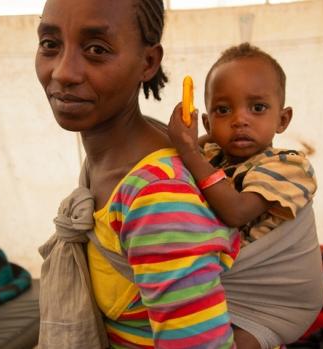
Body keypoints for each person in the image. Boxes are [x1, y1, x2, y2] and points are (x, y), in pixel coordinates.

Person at [35, 0, 242, 348]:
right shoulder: (107, 162)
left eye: (96, 49)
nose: (63, 72)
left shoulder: (157, 195)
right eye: (50, 44)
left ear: (148, 62)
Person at [168, 42, 317, 248]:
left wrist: (190, 151)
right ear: (207, 123)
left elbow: (236, 212)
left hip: (258, 273)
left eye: (257, 107)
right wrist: (191, 138)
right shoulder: (212, 156)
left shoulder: (289, 166)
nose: (239, 120)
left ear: (282, 120)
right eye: (222, 110)